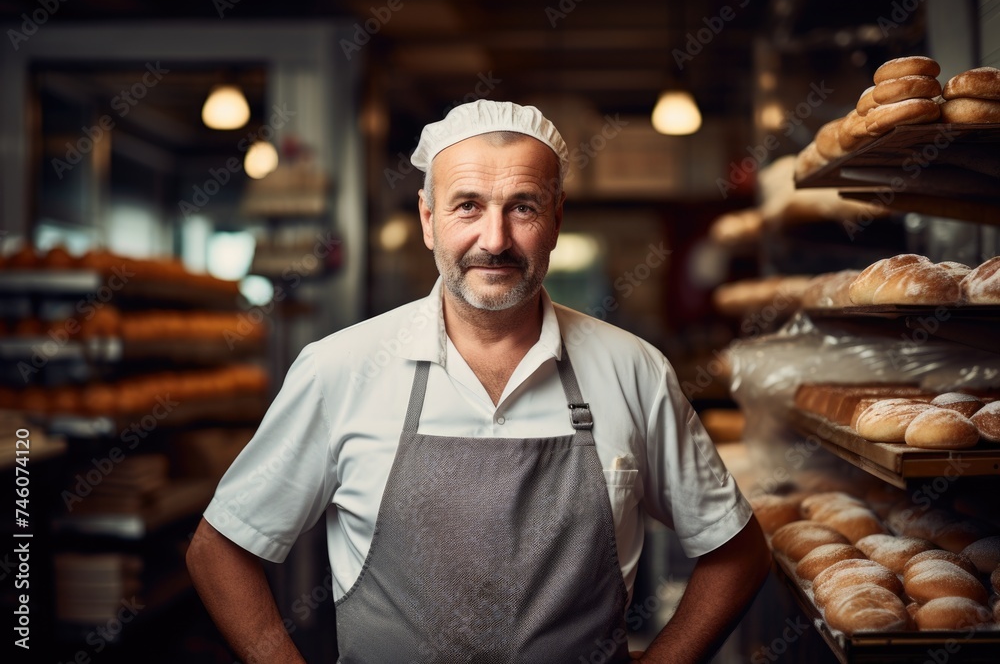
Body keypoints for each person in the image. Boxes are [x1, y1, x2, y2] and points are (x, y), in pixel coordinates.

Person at [187, 100, 771, 663]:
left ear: (557, 220)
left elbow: (738, 552)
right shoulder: (339, 369)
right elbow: (220, 551)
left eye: (523, 207)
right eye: (468, 206)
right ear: (427, 219)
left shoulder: (633, 370)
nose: (494, 240)